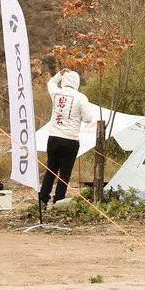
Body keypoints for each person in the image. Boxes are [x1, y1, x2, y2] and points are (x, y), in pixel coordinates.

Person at [39, 68, 95, 206]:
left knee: (50, 171)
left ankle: (43, 200)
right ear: (77, 82)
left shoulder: (56, 93)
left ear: (64, 81)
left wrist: (60, 73)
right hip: (70, 139)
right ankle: (58, 201)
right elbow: (88, 118)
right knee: (64, 175)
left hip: (53, 138)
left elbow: (50, 83)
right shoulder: (81, 97)